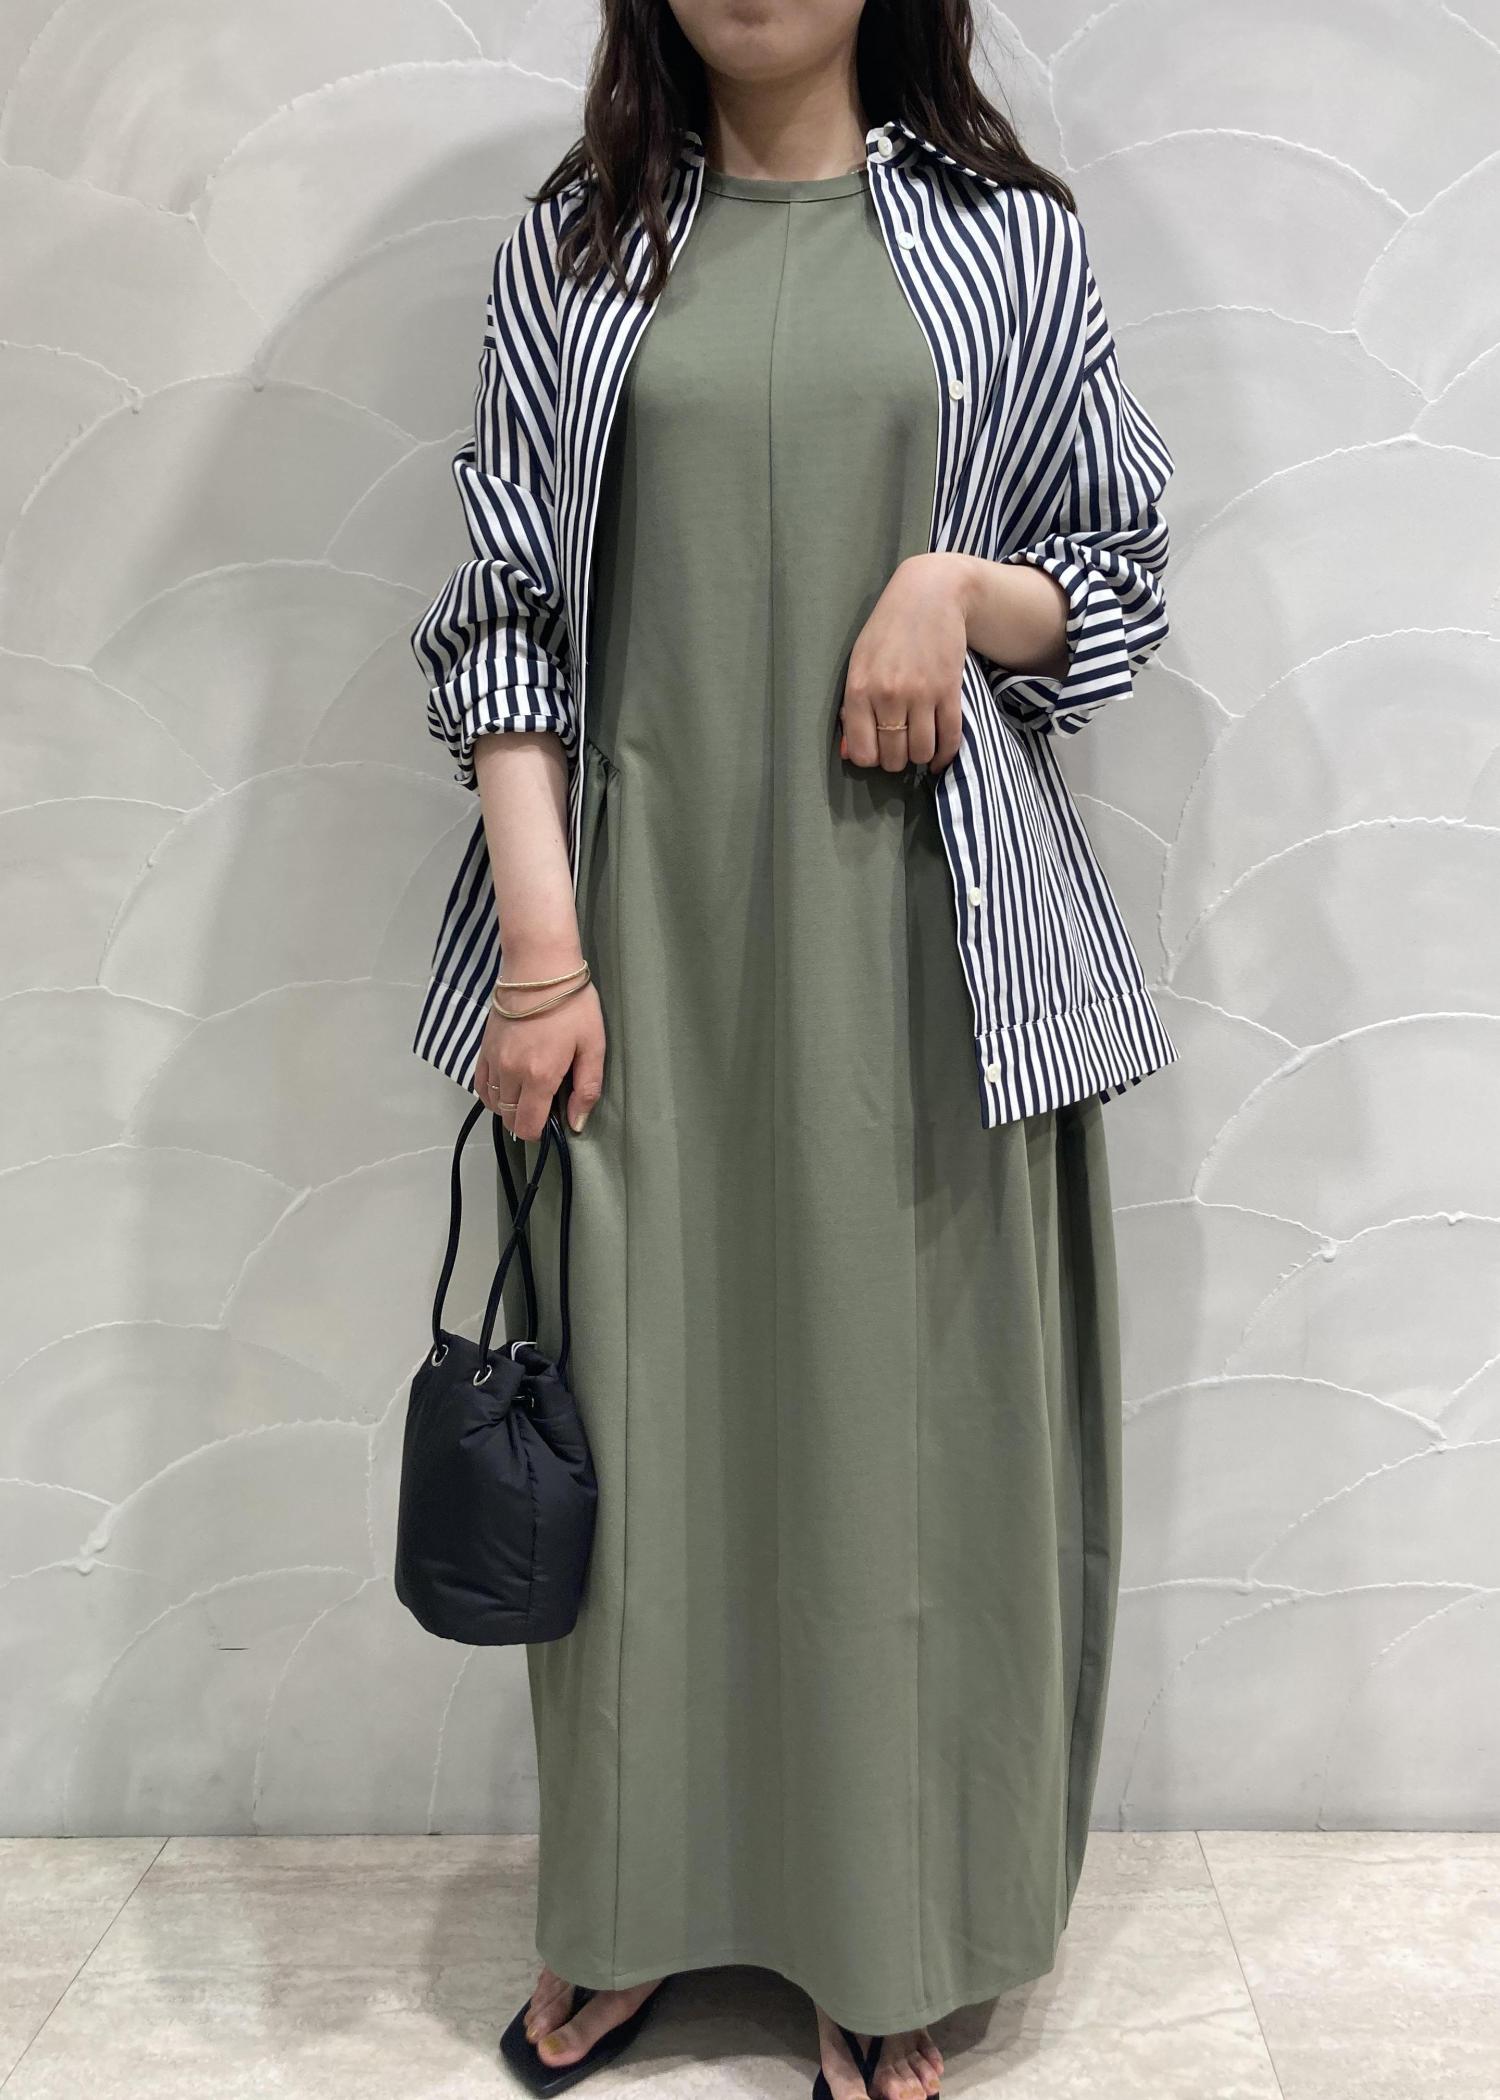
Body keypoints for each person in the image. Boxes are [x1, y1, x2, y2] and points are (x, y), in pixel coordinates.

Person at [407, 3, 1177, 2095]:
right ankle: (630, 1906)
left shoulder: (1008, 240)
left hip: (929, 943)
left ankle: (883, 1923)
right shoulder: (580, 241)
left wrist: (959, 590)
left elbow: (1116, 581)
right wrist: (543, 951)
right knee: (642, 1419)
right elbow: (502, 609)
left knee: (896, 1441)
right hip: (641, 937)